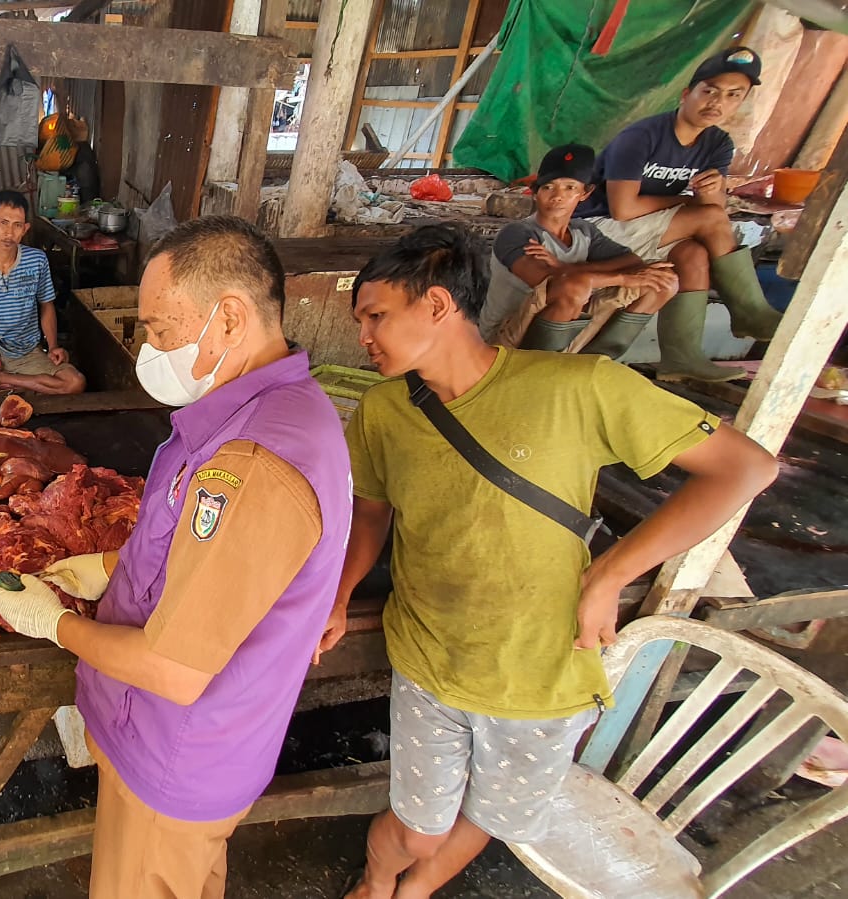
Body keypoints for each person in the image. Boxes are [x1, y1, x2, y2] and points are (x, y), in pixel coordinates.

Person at [327, 225, 777, 899]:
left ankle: (415, 892)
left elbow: (744, 469)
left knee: (487, 813)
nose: (363, 333)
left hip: (541, 673)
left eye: (375, 315)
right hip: (428, 660)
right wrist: (337, 595)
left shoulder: (580, 385)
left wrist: (610, 573)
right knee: (416, 827)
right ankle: (375, 880)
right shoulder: (384, 409)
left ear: (438, 306)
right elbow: (371, 513)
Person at [0, 217, 353, 898]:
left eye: (158, 328)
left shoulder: (252, 463)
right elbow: (200, 558)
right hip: (180, 746)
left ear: (229, 317)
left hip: (176, 753)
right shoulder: (261, 414)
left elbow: (174, 670)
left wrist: (53, 622)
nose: (149, 348)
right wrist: (109, 568)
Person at [576, 47, 781, 382]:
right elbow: (623, 208)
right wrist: (686, 203)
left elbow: (713, 208)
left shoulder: (718, 144)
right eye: (709, 91)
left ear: (740, 103)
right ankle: (749, 311)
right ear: (688, 94)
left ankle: (681, 356)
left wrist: (713, 192)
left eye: (732, 95)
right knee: (709, 221)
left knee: (694, 254)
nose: (717, 102)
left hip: (646, 229)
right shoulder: (641, 137)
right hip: (599, 227)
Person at [483, 143, 678, 357]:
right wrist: (622, 279)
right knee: (575, 287)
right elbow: (551, 281)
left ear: (585, 193)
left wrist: (567, 267)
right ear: (535, 192)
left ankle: (597, 359)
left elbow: (631, 261)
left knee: (663, 281)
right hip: (505, 339)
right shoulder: (518, 233)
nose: (558, 196)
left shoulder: (584, 231)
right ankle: (539, 370)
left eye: (570, 188)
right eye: (548, 187)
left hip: (567, 329)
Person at [0, 190, 87, 396]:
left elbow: (47, 305)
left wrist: (53, 346)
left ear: (25, 229)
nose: (9, 233)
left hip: (26, 352)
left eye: (17, 225)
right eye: (3, 222)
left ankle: (1, 380)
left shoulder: (37, 261)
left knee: (75, 383)